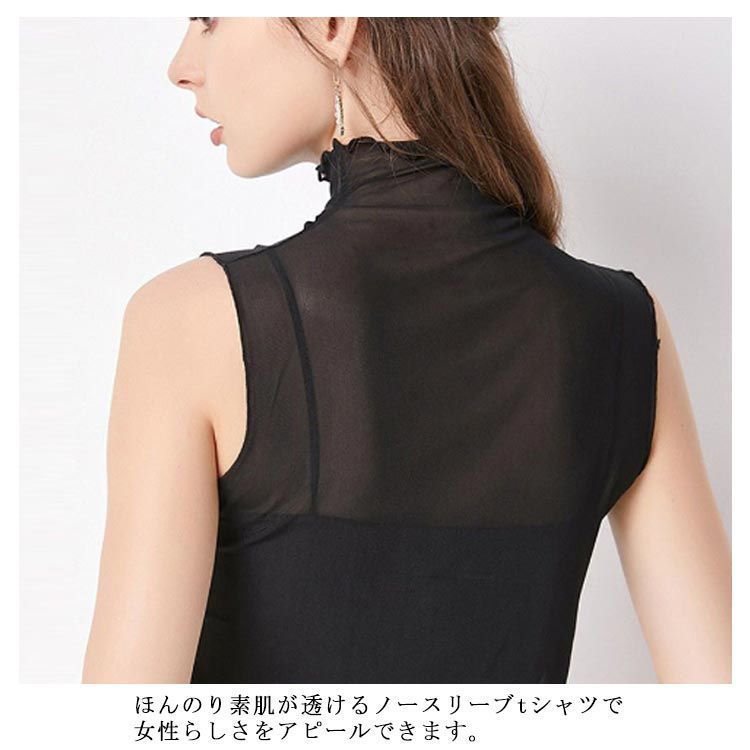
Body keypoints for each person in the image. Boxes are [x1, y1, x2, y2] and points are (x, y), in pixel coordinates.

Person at [81, 17, 731, 684]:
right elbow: (719, 693)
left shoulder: (189, 322)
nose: (181, 66)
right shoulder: (625, 326)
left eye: (210, 20)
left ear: (333, 24)